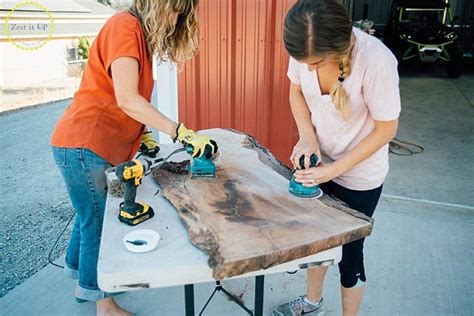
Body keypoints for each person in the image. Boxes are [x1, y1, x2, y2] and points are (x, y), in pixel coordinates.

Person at [50, 1, 217, 315]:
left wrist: (145, 134)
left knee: (87, 214)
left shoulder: (137, 34)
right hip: (84, 144)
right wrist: (180, 132)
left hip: (87, 145)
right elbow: (128, 98)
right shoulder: (125, 26)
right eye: (175, 8)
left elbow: (125, 98)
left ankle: (78, 275)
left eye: (184, 11)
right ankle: (104, 305)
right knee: (96, 225)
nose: (178, 16)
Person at [274, 1, 400, 315]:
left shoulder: (376, 61)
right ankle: (312, 302)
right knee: (318, 242)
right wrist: (307, 137)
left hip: (360, 177)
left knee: (349, 254)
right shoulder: (305, 46)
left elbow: (386, 130)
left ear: (338, 48)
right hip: (321, 164)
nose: (310, 69)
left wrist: (335, 170)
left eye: (316, 63)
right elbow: (296, 92)